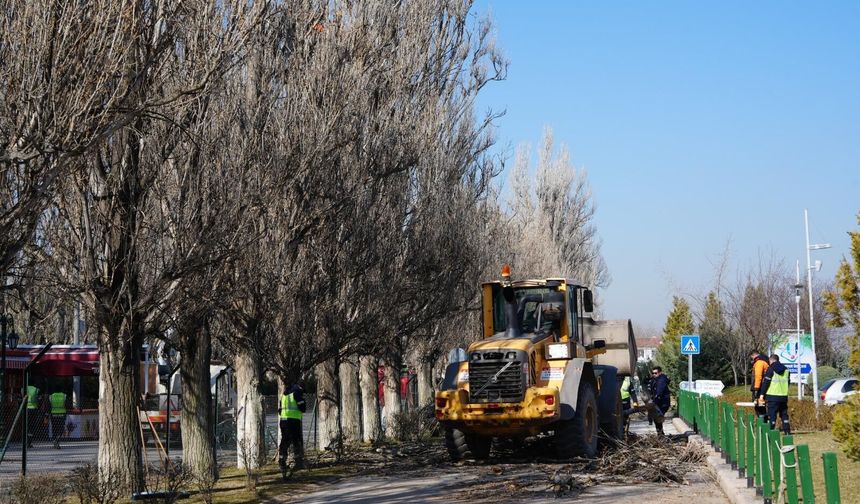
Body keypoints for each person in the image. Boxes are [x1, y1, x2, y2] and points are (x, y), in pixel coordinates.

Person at [278, 382, 307, 479]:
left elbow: (280, 410)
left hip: (283, 420)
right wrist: (303, 401)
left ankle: (282, 460)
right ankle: (297, 460)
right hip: (293, 420)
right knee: (296, 440)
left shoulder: (284, 394)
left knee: (285, 441)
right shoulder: (297, 393)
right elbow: (303, 408)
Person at [759, 354, 791, 434]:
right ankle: (787, 431)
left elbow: (766, 383)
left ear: (771, 360)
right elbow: (788, 383)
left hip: (772, 396)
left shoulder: (771, 369)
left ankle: (771, 431)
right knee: (784, 415)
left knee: (772, 415)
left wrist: (762, 395)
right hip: (783, 396)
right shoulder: (786, 370)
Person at [649, 366, 671, 436]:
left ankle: (660, 434)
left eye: (655, 373)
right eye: (653, 373)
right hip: (658, 402)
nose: (654, 374)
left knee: (658, 418)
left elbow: (659, 392)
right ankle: (660, 434)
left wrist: (654, 401)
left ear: (660, 373)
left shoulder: (661, 380)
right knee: (656, 418)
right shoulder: (654, 380)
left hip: (663, 403)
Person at [750, 351, 770, 421]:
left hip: (760, 388)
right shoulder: (765, 360)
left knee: (759, 406)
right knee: (763, 406)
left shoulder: (759, 362)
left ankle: (762, 423)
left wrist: (756, 389)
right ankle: (765, 421)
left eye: (752, 357)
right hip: (765, 386)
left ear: (753, 356)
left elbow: (758, 376)